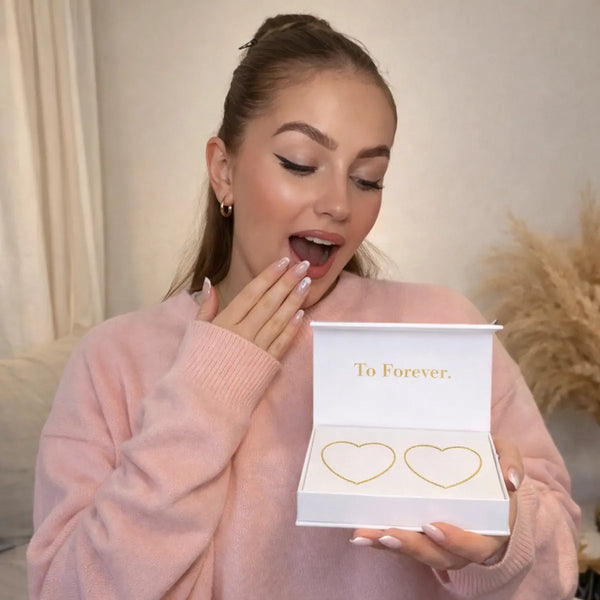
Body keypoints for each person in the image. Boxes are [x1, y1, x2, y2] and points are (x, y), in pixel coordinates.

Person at [27, 13, 580, 600]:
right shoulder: (114, 361)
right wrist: (206, 391)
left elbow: (558, 564)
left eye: (368, 178)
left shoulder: (441, 326)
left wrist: (502, 540)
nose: (339, 203)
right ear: (224, 171)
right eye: (299, 163)